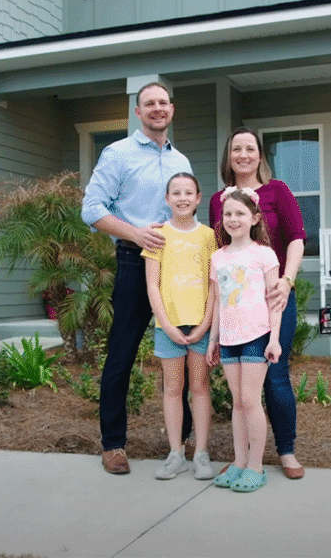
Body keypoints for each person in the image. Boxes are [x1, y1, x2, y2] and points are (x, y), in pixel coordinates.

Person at [81, 82, 193, 475]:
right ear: (138, 112)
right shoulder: (119, 154)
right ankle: (113, 444)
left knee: (183, 352)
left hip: (178, 268)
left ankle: (183, 442)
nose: (157, 109)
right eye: (149, 104)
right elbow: (91, 208)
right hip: (134, 261)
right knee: (122, 355)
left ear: (172, 110)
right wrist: (135, 233)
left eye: (163, 103)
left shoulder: (181, 160)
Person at [208, 127, 307, 480]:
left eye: (250, 149)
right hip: (237, 306)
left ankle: (286, 451)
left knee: (276, 378)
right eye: (237, 149)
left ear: (260, 156)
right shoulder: (219, 199)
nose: (244, 155)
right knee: (242, 394)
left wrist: (286, 280)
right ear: (229, 156)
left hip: (274, 296)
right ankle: (246, 460)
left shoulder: (277, 191)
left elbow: (296, 238)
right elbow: (221, 253)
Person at [207, 187, 281, 493]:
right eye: (228, 214)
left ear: (254, 217)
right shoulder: (218, 257)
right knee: (237, 403)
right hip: (229, 337)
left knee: (251, 400)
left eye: (240, 213)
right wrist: (213, 338)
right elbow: (217, 300)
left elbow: (275, 300)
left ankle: (256, 466)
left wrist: (274, 339)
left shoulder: (264, 254)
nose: (233, 219)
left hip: (257, 335)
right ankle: (238, 462)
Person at [143, 173, 217, 480]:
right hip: (168, 326)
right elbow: (152, 285)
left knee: (199, 388)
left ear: (199, 198)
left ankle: (201, 453)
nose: (183, 198)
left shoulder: (209, 236)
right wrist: (166, 324)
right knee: (173, 389)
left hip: (200, 323)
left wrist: (205, 325)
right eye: (176, 193)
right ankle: (176, 453)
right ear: (167, 199)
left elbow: (215, 286)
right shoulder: (158, 235)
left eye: (189, 192)